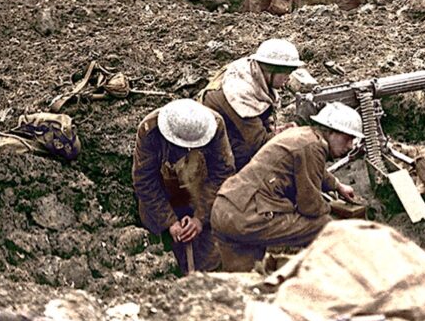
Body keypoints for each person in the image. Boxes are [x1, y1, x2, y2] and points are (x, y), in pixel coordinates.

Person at [210, 101, 362, 271]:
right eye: (347, 138)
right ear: (330, 131)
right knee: (323, 224)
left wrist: (337, 185)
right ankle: (325, 275)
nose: (350, 146)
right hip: (248, 216)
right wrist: (332, 210)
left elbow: (311, 166)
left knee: (244, 281)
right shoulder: (313, 147)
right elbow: (310, 206)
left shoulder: (302, 135)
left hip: (225, 209)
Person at [133, 98, 235, 274]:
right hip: (163, 192)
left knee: (211, 255)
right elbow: (144, 181)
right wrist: (170, 221)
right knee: (161, 252)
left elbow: (223, 173)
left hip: (200, 190)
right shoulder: (150, 130)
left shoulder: (214, 125)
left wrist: (200, 218)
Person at [201, 39, 302, 170]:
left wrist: (276, 129)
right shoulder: (240, 92)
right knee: (246, 153)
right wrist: (296, 128)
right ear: (271, 69)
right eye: (286, 73)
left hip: (229, 123)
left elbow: (263, 113)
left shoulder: (254, 71)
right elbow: (260, 144)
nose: (288, 78)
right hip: (208, 140)